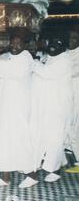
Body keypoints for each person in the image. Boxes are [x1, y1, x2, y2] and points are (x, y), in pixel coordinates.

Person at [0, 29, 38, 188]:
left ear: (25, 44)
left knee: (20, 141)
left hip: (17, 109)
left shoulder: (25, 59)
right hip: (4, 108)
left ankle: (31, 175)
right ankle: (5, 177)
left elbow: (0, 69)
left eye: (18, 42)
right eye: (12, 42)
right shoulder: (9, 57)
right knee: (2, 141)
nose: (14, 45)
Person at [30, 37, 74, 182]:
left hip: (58, 107)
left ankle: (54, 170)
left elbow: (47, 73)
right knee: (47, 137)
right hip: (45, 105)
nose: (53, 46)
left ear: (64, 47)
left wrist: (34, 62)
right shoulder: (47, 57)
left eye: (58, 44)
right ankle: (56, 163)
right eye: (51, 43)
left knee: (55, 137)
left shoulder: (65, 60)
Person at [66, 29, 79, 173]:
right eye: (70, 37)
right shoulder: (66, 53)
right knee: (68, 127)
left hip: (77, 97)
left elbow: (73, 72)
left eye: (75, 37)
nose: (71, 40)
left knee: (76, 130)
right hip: (68, 97)